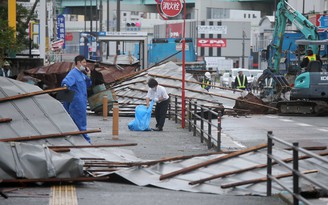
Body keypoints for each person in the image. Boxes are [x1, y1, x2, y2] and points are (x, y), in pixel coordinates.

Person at [61, 55, 92, 143]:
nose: (85, 65)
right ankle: (86, 141)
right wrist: (65, 86)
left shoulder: (81, 73)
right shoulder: (73, 73)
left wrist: (89, 75)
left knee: (80, 121)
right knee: (80, 122)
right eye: (84, 62)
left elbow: (88, 84)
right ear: (78, 63)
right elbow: (66, 82)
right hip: (77, 103)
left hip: (82, 101)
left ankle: (79, 140)